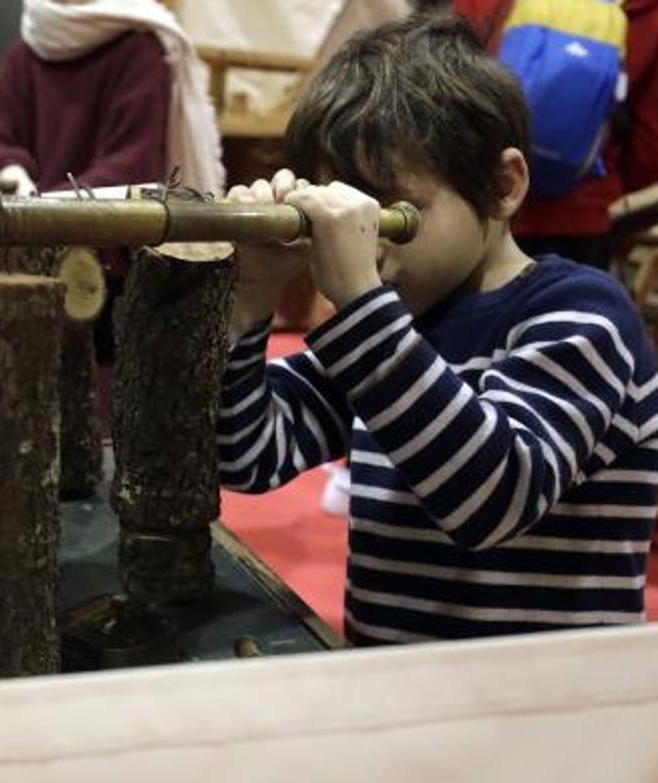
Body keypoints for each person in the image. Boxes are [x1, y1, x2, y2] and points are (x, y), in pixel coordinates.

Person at [217, 14, 658, 645]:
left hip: (558, 710)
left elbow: (493, 497)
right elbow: (246, 455)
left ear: (504, 185)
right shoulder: (395, 327)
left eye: (393, 213)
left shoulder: (582, 317)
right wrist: (252, 294)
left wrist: (361, 304)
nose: (367, 247)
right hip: (402, 688)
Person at [0, 0, 222, 373]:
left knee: (92, 388)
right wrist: (14, 174)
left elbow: (130, 162)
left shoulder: (139, 48)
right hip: (26, 240)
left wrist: (44, 210)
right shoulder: (31, 47)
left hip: (106, 254)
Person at [451, 0, 658, 269]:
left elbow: (447, 73)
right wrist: (603, 181)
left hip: (479, 204)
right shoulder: (647, 12)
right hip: (579, 219)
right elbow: (650, 145)